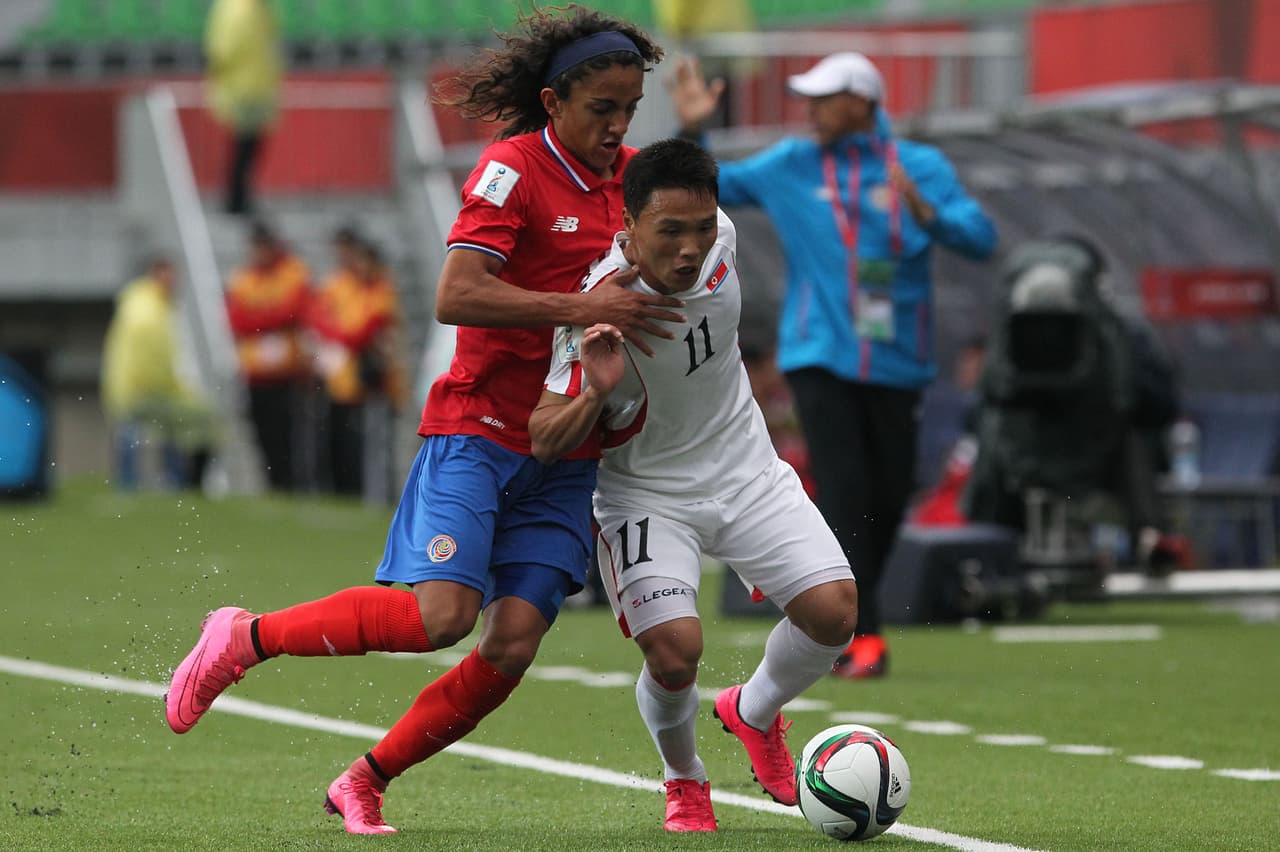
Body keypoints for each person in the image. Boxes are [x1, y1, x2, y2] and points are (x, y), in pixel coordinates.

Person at [164, 6, 680, 836]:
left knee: (510, 645)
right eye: (601, 110)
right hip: (480, 430)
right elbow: (455, 293)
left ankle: (363, 781)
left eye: (630, 109)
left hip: (571, 448)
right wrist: (576, 306)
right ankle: (242, 637)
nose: (618, 126)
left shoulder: (634, 181)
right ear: (553, 104)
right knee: (439, 619)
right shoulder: (511, 170)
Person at [528, 139, 858, 831]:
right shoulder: (596, 308)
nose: (690, 248)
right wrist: (595, 392)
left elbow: (691, 188)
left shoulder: (724, 240)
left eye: (701, 228)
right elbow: (545, 435)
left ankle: (754, 710)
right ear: (628, 230)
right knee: (677, 653)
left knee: (834, 612)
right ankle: (685, 779)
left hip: (746, 470)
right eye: (669, 232)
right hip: (647, 495)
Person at [671, 51, 997, 678]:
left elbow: (980, 238)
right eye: (809, 99)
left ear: (864, 103)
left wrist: (929, 214)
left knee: (890, 496)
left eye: (825, 99)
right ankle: (861, 633)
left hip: (899, 361)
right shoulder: (792, 164)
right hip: (818, 354)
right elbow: (710, 186)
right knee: (846, 492)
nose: (811, 111)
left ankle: (840, 609)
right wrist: (693, 131)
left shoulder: (919, 167)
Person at [306, 230, 406, 497]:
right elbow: (315, 314)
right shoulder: (346, 286)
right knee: (342, 443)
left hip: (375, 381)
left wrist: (335, 333)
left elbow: (359, 334)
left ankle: (376, 496)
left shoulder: (382, 292)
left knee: (372, 445)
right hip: (346, 380)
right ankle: (348, 492)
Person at [101, 256, 214, 490]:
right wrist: (169, 385)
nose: (173, 281)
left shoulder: (143, 302)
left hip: (131, 382)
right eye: (169, 274)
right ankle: (168, 482)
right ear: (156, 274)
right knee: (160, 427)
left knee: (141, 432)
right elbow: (152, 354)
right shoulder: (149, 308)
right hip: (141, 384)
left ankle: (135, 485)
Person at [224, 220, 311, 490]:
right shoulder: (243, 278)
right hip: (256, 373)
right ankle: (273, 483)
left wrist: (259, 319)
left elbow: (295, 311)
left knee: (290, 433)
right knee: (263, 433)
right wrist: (270, 319)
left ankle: (293, 484)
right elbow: (237, 320)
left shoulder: (293, 271)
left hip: (288, 372)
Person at [204, 0, 282, 215]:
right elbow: (222, 51)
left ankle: (241, 198)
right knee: (242, 147)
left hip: (257, 87)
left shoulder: (258, 8)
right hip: (242, 89)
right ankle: (235, 201)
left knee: (250, 147)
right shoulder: (237, 9)